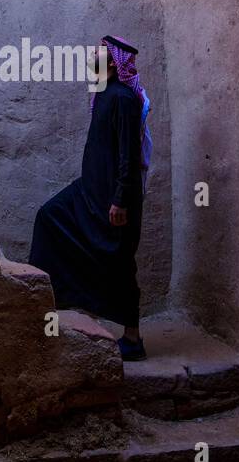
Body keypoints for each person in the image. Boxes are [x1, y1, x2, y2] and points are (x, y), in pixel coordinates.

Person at [29, 35, 150, 360]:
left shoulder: (123, 99)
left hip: (114, 199)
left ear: (113, 62)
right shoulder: (103, 94)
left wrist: (120, 200)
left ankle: (133, 339)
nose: (90, 58)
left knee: (120, 262)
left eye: (97, 54)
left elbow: (128, 154)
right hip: (89, 192)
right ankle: (52, 305)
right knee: (49, 217)